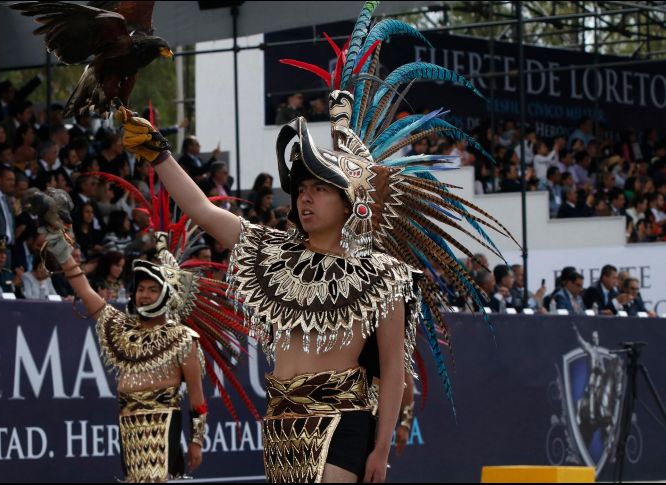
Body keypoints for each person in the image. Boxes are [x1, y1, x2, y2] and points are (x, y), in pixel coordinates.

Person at [115, 3, 513, 481]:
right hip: (281, 427)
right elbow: (202, 210)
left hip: (343, 424)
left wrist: (380, 449)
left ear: (349, 204)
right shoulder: (274, 256)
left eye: (319, 189)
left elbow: (391, 371)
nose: (305, 199)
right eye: (301, 189)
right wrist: (159, 153)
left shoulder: (382, 278)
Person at [37, 186, 257, 482]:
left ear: (165, 295)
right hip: (129, 426)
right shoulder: (122, 329)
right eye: (141, 289)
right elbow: (86, 291)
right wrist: (63, 254)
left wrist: (196, 442)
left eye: (152, 289)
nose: (144, 295)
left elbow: (197, 399)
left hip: (165, 426)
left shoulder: (182, 338)